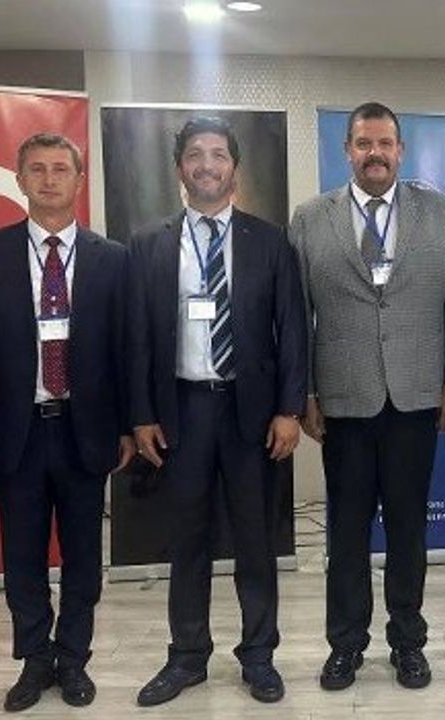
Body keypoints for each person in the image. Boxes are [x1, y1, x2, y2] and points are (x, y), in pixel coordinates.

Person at [129, 116, 307, 705]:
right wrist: (141, 414)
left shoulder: (270, 241)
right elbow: (136, 337)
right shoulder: (149, 243)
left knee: (256, 539)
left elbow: (293, 331)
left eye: (218, 155)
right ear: (179, 167)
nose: (207, 165)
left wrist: (289, 409)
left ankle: (259, 655)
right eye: (195, 155)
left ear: (234, 167)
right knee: (188, 539)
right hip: (180, 411)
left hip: (250, 413)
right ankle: (187, 657)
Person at [0, 133, 133, 712]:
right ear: (20, 180)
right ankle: (34, 660)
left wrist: (128, 425)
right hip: (18, 431)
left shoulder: (112, 257)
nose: (49, 179)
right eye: (37, 169)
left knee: (83, 555)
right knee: (23, 555)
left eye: (61, 169)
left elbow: (126, 349)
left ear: (79, 180)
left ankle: (74, 658)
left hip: (86, 428)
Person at [289, 102, 445, 690]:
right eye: (364, 143)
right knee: (346, 532)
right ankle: (346, 645)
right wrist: (306, 391)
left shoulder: (438, 212)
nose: (375, 154)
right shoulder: (311, 218)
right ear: (347, 150)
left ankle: (408, 643)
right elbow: (297, 314)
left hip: (416, 397)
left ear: (400, 150)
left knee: (410, 529)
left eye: (385, 143)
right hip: (344, 400)